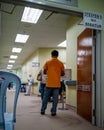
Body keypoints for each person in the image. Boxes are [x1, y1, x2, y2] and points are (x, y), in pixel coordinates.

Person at [40, 50, 65, 116]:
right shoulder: (61, 63)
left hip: (48, 84)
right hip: (57, 84)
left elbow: (44, 72)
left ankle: (43, 110)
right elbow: (63, 74)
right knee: (55, 99)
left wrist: (50, 72)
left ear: (51, 55)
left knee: (45, 98)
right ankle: (53, 112)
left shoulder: (47, 62)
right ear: (57, 55)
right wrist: (58, 73)